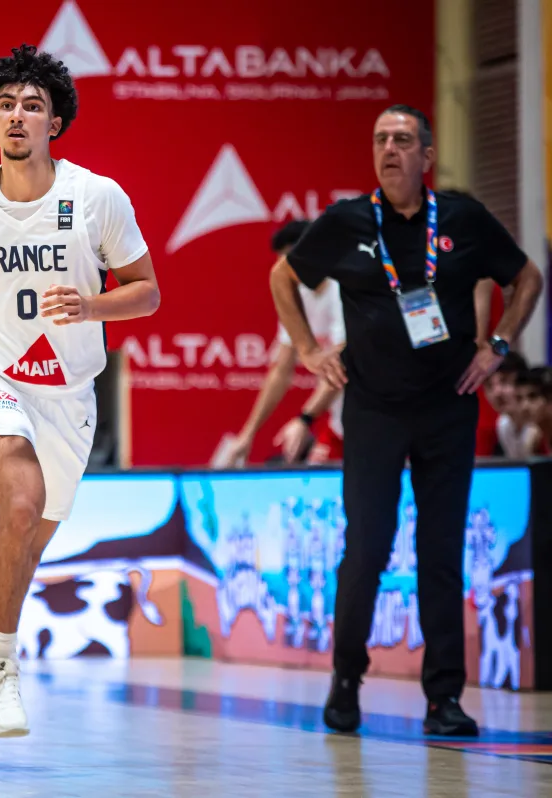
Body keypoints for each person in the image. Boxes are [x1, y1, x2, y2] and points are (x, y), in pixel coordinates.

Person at [270, 104, 544, 737]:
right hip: (372, 409)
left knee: (441, 553)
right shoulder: (346, 221)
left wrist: (497, 343)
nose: (389, 150)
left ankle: (443, 698)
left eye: (402, 140)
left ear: (427, 154)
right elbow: (283, 278)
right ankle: (345, 682)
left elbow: (526, 276)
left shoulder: (464, 219)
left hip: (448, 404)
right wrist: (310, 350)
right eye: (380, 140)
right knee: (365, 550)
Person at [0, 44, 161, 760]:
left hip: (68, 393)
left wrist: (91, 305)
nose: (17, 115)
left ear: (56, 121)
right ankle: (1, 672)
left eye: (32, 105)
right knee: (18, 502)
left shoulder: (97, 197)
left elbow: (146, 291)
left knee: (21, 551)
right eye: (5, 105)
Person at [214, 220, 346, 466]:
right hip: (340, 423)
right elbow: (281, 371)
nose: (280, 270)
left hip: (378, 420)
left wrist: (305, 419)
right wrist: (247, 436)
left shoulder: (344, 290)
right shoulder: (296, 297)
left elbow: (343, 365)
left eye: (286, 262)